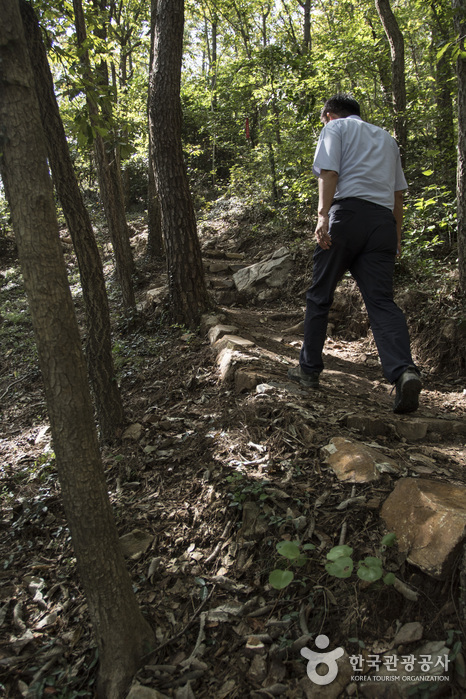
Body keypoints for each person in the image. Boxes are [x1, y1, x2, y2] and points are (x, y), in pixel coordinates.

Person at [288, 93, 421, 414]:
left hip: (346, 217)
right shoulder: (387, 139)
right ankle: (404, 371)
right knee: (381, 301)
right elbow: (398, 194)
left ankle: (308, 371)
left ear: (330, 115)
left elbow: (329, 174)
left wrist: (322, 217)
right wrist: (397, 235)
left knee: (320, 295)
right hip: (382, 224)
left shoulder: (335, 130)